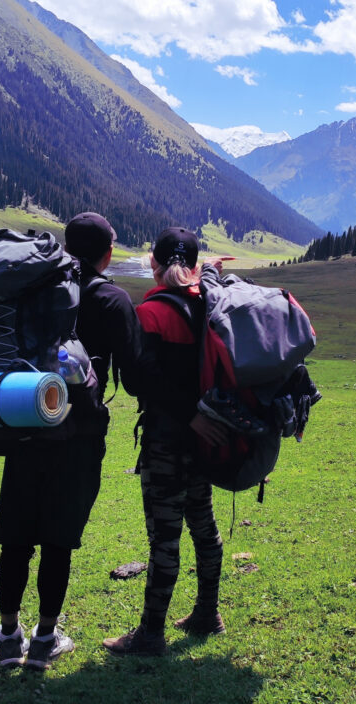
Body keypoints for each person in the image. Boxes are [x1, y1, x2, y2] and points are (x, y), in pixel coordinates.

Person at [0, 212, 142, 669]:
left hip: (26, 422)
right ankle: (44, 640)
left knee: (17, 538)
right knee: (58, 540)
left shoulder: (35, 288)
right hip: (79, 437)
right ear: (108, 254)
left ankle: (8, 637)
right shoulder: (113, 299)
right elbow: (136, 377)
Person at [103, 226, 231, 656]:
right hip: (207, 436)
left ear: (153, 263)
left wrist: (186, 415)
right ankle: (207, 613)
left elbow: (142, 382)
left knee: (164, 536)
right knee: (203, 525)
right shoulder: (209, 303)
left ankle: (151, 633)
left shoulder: (151, 312)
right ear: (193, 266)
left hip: (167, 440)